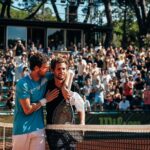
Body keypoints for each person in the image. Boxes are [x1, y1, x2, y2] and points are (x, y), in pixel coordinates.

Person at [12, 52, 60, 150]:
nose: (48, 69)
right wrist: (45, 100)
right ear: (37, 68)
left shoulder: (46, 76)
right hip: (22, 130)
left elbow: (68, 73)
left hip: (39, 129)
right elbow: (27, 110)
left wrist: (65, 88)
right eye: (45, 67)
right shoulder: (23, 84)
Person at [45, 57, 85, 150]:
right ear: (53, 71)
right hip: (53, 129)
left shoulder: (74, 86)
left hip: (70, 130)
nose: (61, 71)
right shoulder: (48, 85)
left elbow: (80, 106)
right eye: (58, 69)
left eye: (63, 69)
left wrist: (82, 123)